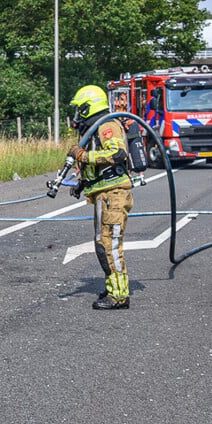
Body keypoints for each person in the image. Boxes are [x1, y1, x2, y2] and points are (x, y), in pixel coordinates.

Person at [68, 84, 134, 309]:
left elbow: (116, 153)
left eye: (80, 109)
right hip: (103, 193)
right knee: (102, 243)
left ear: (88, 107)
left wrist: (84, 155)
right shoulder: (96, 127)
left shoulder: (107, 125)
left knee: (109, 244)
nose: (78, 115)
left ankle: (119, 296)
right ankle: (113, 286)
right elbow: (99, 168)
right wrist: (82, 184)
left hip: (114, 194)